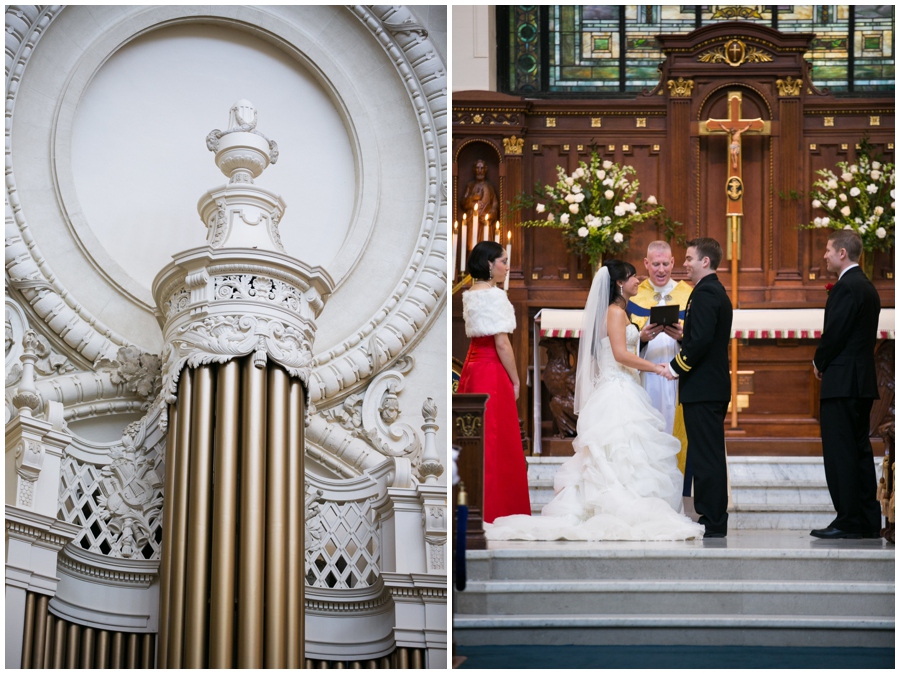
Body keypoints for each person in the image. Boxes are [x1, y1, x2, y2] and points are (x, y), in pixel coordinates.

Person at [485, 260, 704, 541]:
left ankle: (625, 503)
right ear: (619, 284)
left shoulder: (619, 311)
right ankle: (619, 508)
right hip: (618, 389)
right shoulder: (614, 312)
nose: (638, 281)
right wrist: (657, 368)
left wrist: (642, 336)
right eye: (632, 277)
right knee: (620, 452)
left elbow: (620, 349)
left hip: (624, 385)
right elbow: (620, 355)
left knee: (625, 453)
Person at [811, 230, 881, 539]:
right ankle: (866, 520)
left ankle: (848, 520)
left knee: (841, 454)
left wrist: (819, 361)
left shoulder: (846, 287)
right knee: (859, 452)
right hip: (861, 382)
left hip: (842, 382)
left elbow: (835, 333)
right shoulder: (866, 286)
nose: (824, 255)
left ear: (843, 253)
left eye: (828, 250)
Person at [456, 241, 530, 523]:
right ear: (489, 263)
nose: (507, 266)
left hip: (473, 369)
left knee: (475, 440)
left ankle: (474, 507)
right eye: (503, 261)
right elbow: (502, 344)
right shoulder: (495, 296)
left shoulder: (470, 293)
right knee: (497, 440)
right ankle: (500, 507)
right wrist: (516, 380)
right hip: (492, 372)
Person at [668, 238, 733, 538]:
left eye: (689, 258)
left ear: (705, 261)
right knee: (707, 453)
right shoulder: (709, 291)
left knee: (707, 456)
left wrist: (675, 366)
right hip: (707, 388)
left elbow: (703, 342)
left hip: (705, 389)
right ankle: (711, 516)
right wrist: (685, 334)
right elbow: (701, 335)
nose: (685, 263)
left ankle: (713, 519)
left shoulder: (706, 293)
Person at [628, 241, 695, 496]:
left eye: (666, 263)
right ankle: (648, 491)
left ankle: (675, 492)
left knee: (675, 428)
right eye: (655, 264)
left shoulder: (687, 293)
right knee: (649, 429)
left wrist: (681, 336)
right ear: (646, 264)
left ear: (673, 263)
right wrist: (642, 338)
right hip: (645, 376)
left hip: (678, 375)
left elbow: (697, 338)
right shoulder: (635, 293)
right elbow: (623, 339)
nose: (661, 269)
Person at [459, 159, 500, 226]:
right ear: (474, 170)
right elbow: (463, 203)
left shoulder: (490, 187)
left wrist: (490, 215)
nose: (480, 170)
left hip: (486, 222)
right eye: (477, 168)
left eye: (482, 168)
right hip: (472, 221)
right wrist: (473, 198)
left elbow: (495, 205)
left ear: (485, 170)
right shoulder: (470, 186)